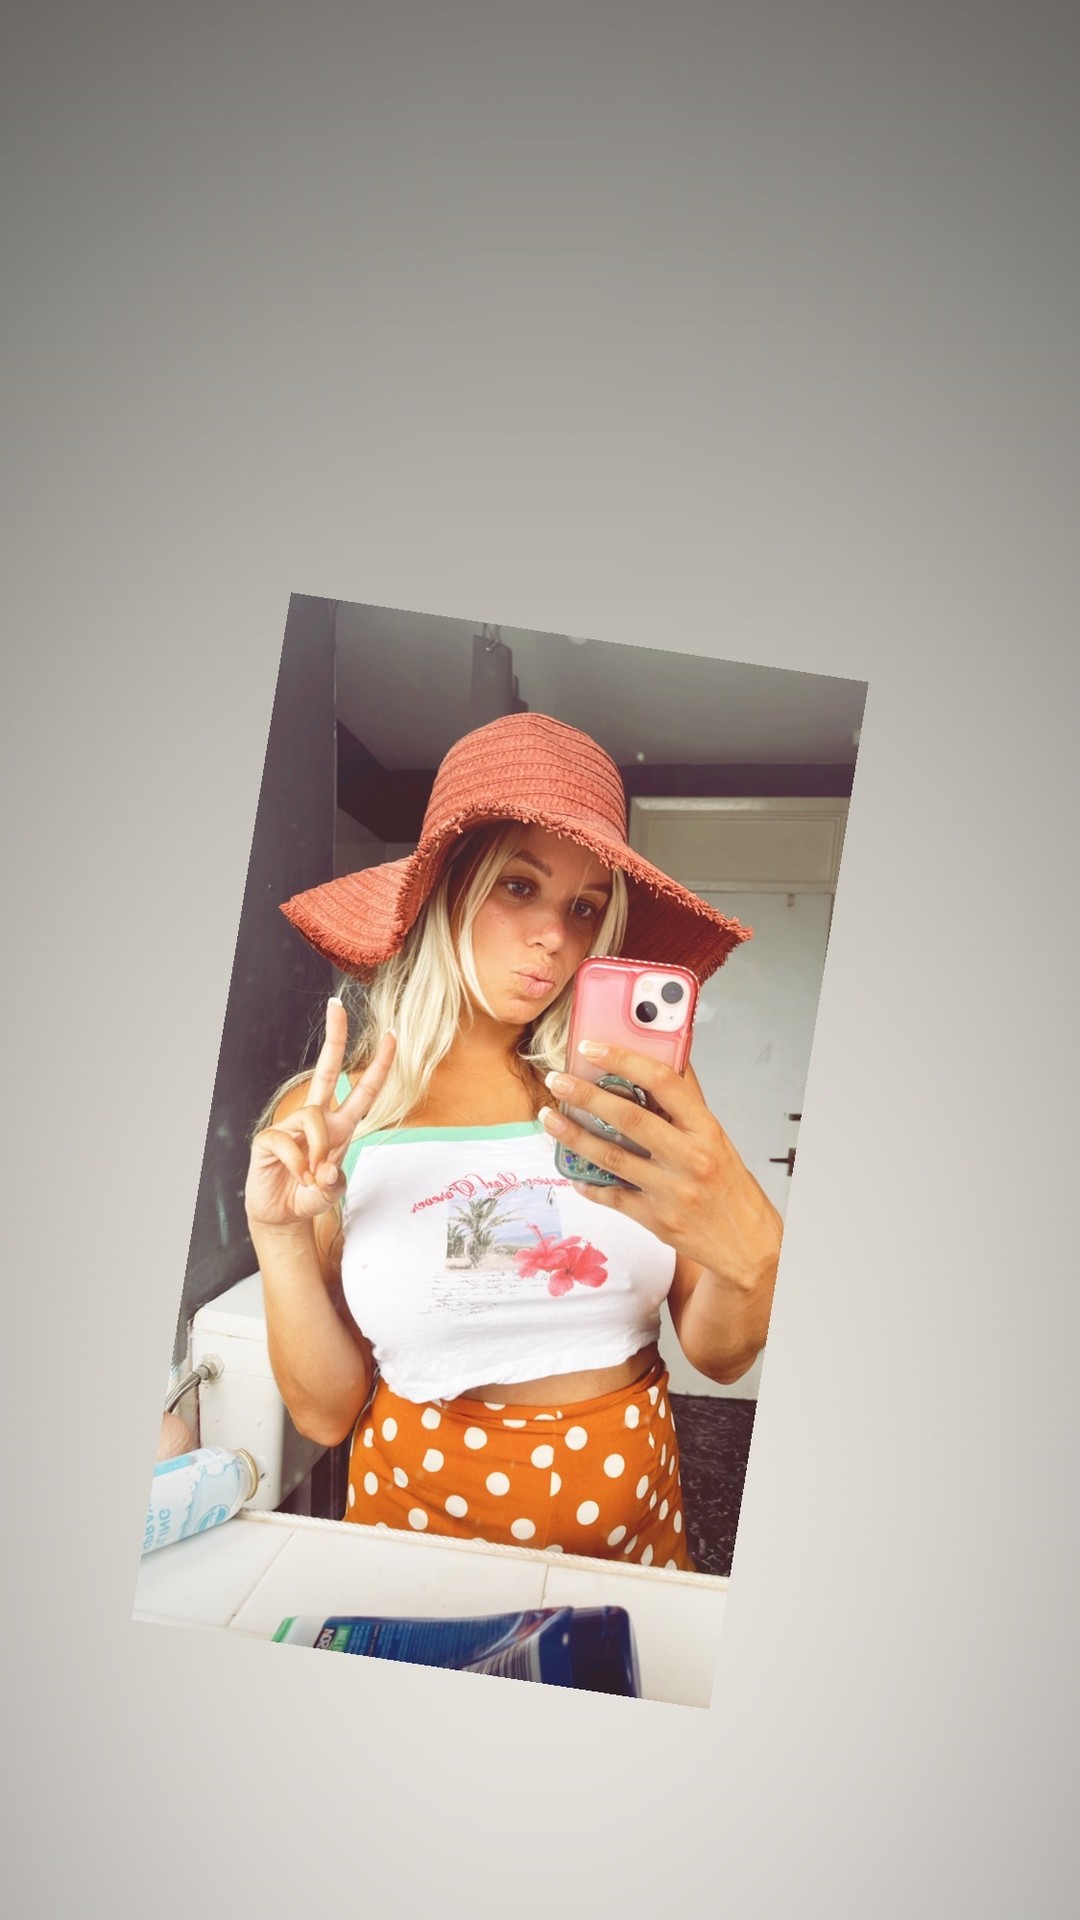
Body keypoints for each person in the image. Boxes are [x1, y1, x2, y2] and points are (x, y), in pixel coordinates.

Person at [244, 712, 781, 1571]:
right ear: (445, 892)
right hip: (414, 1542)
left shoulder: (628, 1104)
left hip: (635, 1543)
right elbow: (325, 1414)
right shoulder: (336, 1118)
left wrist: (752, 1259)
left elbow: (718, 1357)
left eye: (585, 907)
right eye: (519, 886)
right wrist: (276, 1233)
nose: (556, 937)